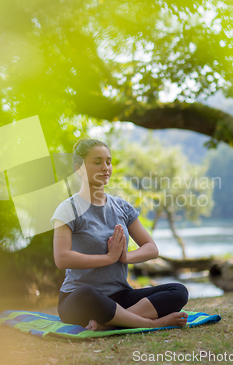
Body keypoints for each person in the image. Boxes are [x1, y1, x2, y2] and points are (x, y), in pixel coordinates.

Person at [50, 139, 189, 331]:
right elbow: (62, 258)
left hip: (119, 296)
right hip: (80, 299)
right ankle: (152, 323)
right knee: (86, 294)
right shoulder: (68, 209)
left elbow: (151, 248)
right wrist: (108, 258)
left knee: (178, 291)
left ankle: (111, 322)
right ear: (79, 168)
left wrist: (125, 257)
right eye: (97, 162)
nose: (105, 167)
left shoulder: (122, 207)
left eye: (108, 161)